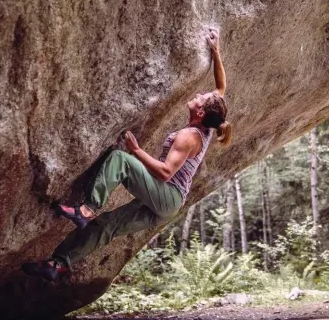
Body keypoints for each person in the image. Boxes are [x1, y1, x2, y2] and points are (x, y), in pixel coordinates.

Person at [22, 29, 232, 281]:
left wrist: (136, 150)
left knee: (120, 160)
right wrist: (216, 51)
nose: (199, 95)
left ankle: (87, 209)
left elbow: (166, 172)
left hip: (167, 195)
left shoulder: (189, 137)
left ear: (200, 113)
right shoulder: (210, 121)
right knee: (107, 226)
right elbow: (221, 87)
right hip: (166, 205)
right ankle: (57, 264)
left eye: (201, 98)